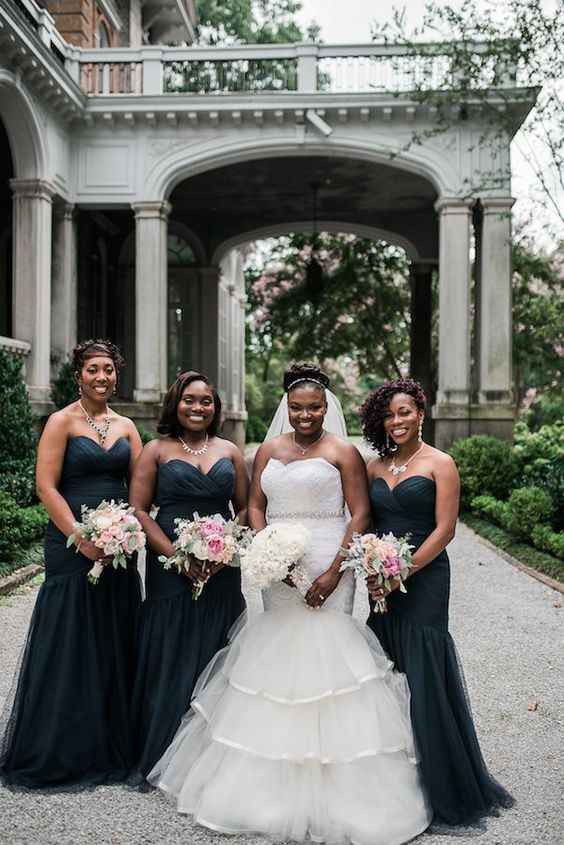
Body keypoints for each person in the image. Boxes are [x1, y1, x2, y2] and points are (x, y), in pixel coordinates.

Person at [148, 363, 431, 845]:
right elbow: (254, 503)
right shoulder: (268, 450)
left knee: (329, 652)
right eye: (297, 408)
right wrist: (266, 547)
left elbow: (360, 512)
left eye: (314, 407)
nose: (305, 415)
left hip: (328, 557)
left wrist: (335, 570)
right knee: (276, 649)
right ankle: (262, 789)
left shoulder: (344, 452)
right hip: (277, 564)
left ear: (327, 408)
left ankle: (333, 781)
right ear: (287, 408)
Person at [361, 378, 513, 828]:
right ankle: (393, 777)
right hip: (380, 579)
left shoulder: (440, 464)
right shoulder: (374, 466)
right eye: (389, 415)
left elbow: (444, 530)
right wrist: (371, 568)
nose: (397, 421)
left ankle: (441, 782)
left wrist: (401, 573)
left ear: (421, 413)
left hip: (423, 579)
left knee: (424, 666)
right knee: (385, 667)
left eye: (404, 412)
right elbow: (366, 524)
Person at [0, 339, 143, 789]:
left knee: (111, 633)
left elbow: (140, 489)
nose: (102, 377)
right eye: (93, 370)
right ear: (79, 375)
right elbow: (45, 486)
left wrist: (129, 530)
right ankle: (61, 746)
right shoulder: (60, 422)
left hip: (119, 546)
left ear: (117, 374)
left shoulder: (127, 427)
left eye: (109, 370)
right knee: (69, 634)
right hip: (69, 543)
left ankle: (107, 744)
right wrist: (79, 538)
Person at [129, 371, 248, 783]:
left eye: (206, 401)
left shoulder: (231, 451)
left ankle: (210, 755)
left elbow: (247, 509)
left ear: (215, 408)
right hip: (169, 564)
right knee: (171, 646)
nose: (198, 408)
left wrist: (225, 547)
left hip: (222, 567)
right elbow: (140, 510)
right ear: (174, 404)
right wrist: (176, 556)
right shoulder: (155, 450)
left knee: (219, 644)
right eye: (190, 400)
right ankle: (161, 746)